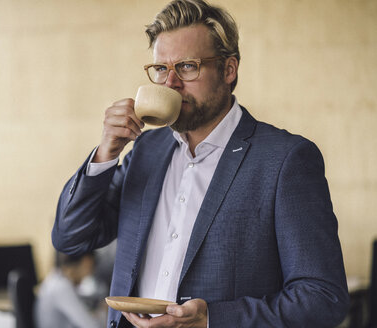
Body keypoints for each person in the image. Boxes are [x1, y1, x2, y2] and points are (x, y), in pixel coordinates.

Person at [52, 0, 350, 327]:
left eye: (187, 66)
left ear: (229, 69)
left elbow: (323, 298)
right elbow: (71, 238)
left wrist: (212, 320)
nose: (170, 83)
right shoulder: (145, 150)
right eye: (162, 69)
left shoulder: (285, 160)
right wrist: (106, 153)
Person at [34, 252, 101, 328]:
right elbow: (92, 326)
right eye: (90, 268)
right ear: (86, 262)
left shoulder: (55, 280)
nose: (89, 274)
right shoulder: (61, 287)